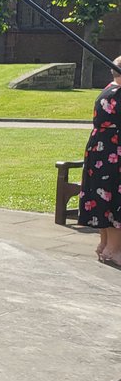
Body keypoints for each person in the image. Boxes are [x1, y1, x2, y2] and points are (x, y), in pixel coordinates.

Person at [77, 56, 121, 265]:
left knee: (104, 195)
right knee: (113, 196)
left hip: (100, 150)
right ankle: (113, 249)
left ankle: (104, 245)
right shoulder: (118, 94)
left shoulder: (107, 90)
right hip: (114, 151)